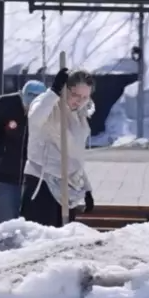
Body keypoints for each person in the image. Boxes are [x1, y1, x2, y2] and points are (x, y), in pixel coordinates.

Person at [21, 68, 96, 227]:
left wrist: (87, 188)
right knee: (41, 236)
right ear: (65, 89)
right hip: (42, 182)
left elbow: (75, 157)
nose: (79, 101)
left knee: (63, 238)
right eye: (75, 95)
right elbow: (35, 117)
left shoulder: (79, 116)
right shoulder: (48, 104)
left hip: (67, 187)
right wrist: (53, 92)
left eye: (85, 97)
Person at [0, 81, 47, 225]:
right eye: (27, 105)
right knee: (8, 222)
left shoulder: (49, 111)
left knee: (32, 224)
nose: (29, 110)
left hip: (36, 180)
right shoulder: (6, 105)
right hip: (8, 176)